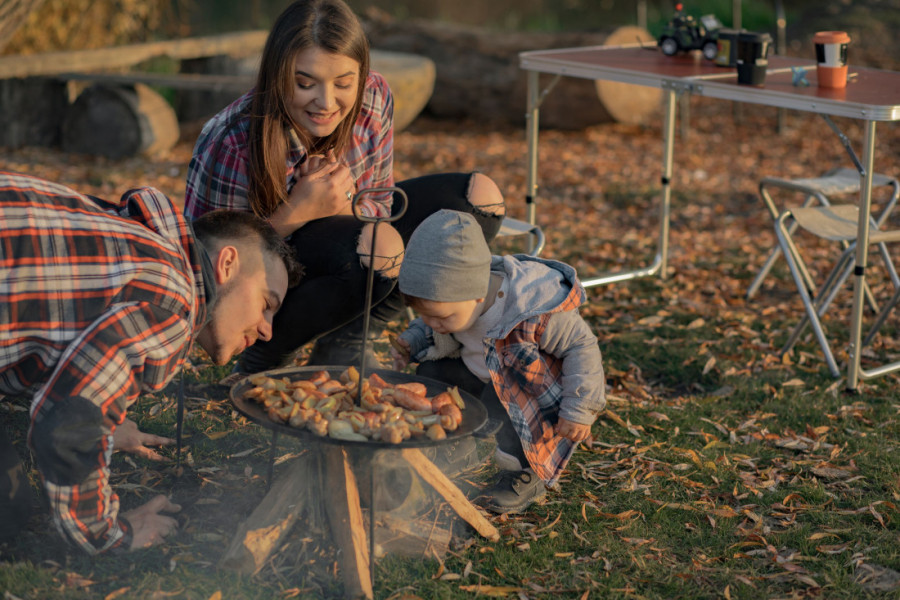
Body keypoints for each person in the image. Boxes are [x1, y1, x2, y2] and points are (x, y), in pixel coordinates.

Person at [184, 0, 506, 374]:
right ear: (276, 75)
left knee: (480, 200)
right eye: (304, 83)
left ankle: (348, 338)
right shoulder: (233, 141)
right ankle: (266, 355)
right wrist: (298, 210)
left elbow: (380, 205)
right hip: (269, 274)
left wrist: (338, 203)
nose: (325, 102)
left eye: (343, 83)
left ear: (361, 74)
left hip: (342, 232)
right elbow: (211, 264)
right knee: (379, 247)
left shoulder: (375, 97)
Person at [0, 171, 301, 554]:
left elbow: (48, 320)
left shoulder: (141, 241)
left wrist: (105, 422)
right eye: (267, 304)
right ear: (226, 264)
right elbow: (69, 422)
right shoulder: (172, 300)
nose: (266, 330)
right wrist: (108, 532)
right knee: (8, 507)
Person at [390, 210, 605, 514]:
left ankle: (525, 472)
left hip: (527, 392)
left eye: (441, 317)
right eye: (424, 315)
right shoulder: (454, 303)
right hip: (479, 371)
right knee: (432, 373)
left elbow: (582, 346)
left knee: (504, 405)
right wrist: (412, 340)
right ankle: (459, 441)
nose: (432, 324)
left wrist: (580, 408)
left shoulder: (531, 309)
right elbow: (430, 325)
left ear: (477, 294)